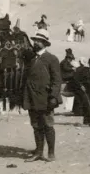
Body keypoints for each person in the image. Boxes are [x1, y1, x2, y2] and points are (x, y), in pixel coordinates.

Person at [23, 29, 62, 162]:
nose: (35, 43)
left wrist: (53, 97)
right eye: (35, 40)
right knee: (35, 125)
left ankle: (51, 153)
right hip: (31, 97)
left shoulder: (52, 59)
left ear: (45, 43)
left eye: (39, 41)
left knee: (48, 125)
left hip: (46, 98)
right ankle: (38, 152)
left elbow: (57, 80)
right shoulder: (30, 58)